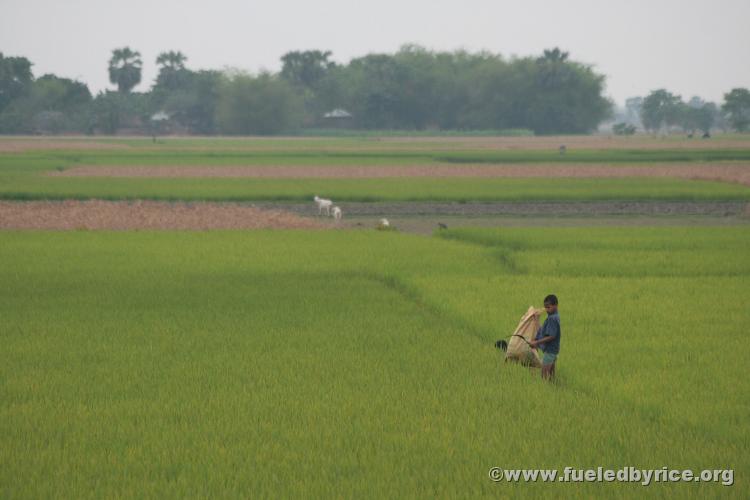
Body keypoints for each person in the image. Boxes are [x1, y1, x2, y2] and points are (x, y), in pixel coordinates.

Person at [529, 294, 561, 380]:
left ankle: (548, 390)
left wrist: (536, 342)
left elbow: (551, 336)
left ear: (556, 305)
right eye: (545, 307)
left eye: (548, 307)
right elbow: (543, 331)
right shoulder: (554, 316)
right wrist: (536, 320)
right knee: (551, 377)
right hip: (554, 351)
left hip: (550, 351)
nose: (546, 310)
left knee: (544, 376)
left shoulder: (552, 319)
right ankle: (554, 389)